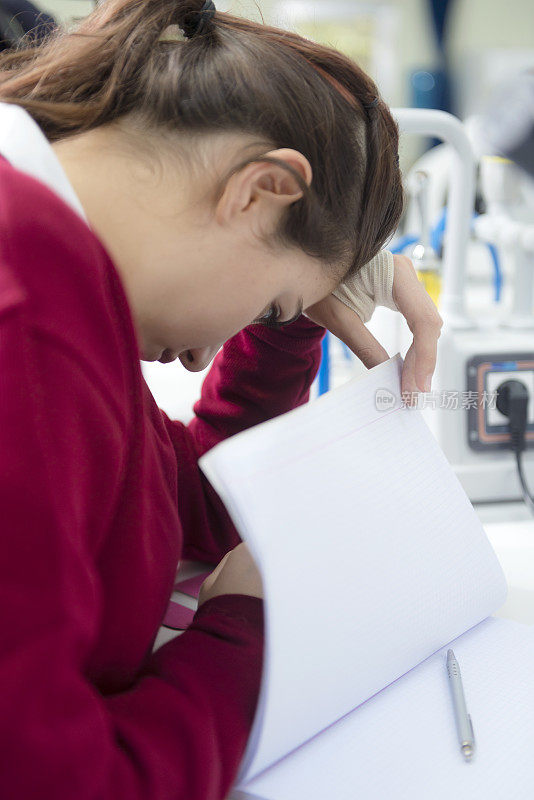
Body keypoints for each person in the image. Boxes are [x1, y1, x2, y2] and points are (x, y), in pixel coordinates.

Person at [0, 0, 442, 798]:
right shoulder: (25, 317)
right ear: (259, 190)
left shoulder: (61, 276)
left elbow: (171, 505)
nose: (205, 353)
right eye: (273, 304)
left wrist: (285, 329)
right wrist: (240, 637)